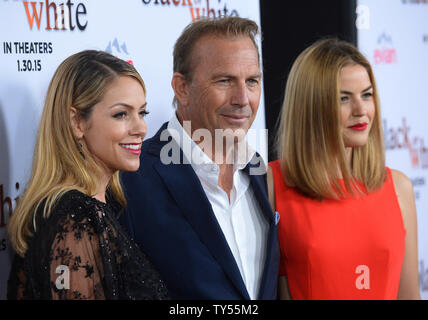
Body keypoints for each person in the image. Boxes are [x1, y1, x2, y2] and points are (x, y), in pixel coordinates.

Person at [120, 17, 280, 300]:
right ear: (182, 88)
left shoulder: (261, 173)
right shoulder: (132, 177)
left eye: (252, 81)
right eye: (225, 80)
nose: (243, 98)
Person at [7, 50, 169, 300]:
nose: (141, 128)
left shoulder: (88, 210)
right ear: (77, 123)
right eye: (121, 114)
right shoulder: (76, 220)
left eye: (142, 112)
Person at [267, 38, 421, 300]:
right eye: (343, 98)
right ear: (312, 105)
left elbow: (409, 296)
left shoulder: (399, 187)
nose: (361, 111)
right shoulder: (273, 183)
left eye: (367, 95)